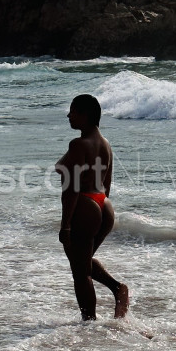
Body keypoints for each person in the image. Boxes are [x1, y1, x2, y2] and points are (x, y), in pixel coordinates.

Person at [55, 94, 129, 322]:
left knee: (80, 273)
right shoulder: (105, 144)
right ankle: (117, 289)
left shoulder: (78, 145)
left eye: (73, 111)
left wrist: (66, 225)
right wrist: (98, 209)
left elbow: (72, 188)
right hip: (103, 204)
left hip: (85, 203)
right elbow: (107, 184)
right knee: (82, 262)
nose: (69, 115)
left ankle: (90, 322)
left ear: (85, 115)